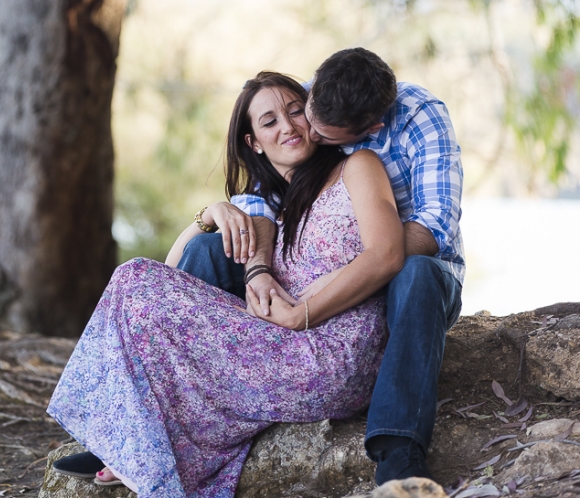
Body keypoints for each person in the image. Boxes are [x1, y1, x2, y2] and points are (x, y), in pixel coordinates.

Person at [48, 71, 405, 497]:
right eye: (269, 121)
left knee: (135, 278)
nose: (288, 126)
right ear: (253, 141)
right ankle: (124, 439)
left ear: (314, 117)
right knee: (135, 279)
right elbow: (172, 270)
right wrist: (209, 214)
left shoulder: (357, 166)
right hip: (282, 338)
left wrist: (301, 313)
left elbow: (387, 254)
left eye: (295, 111)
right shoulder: (273, 205)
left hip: (333, 349)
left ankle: (126, 446)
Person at [175, 48, 464, 484]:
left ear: (370, 129)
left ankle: (399, 451)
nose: (302, 130)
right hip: (311, 265)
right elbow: (260, 200)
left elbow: (434, 225)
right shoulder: (309, 102)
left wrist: (358, 264)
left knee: (415, 273)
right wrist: (257, 269)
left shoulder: (420, 121)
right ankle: (165, 413)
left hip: (409, 262)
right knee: (210, 251)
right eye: (302, 115)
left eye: (323, 134)